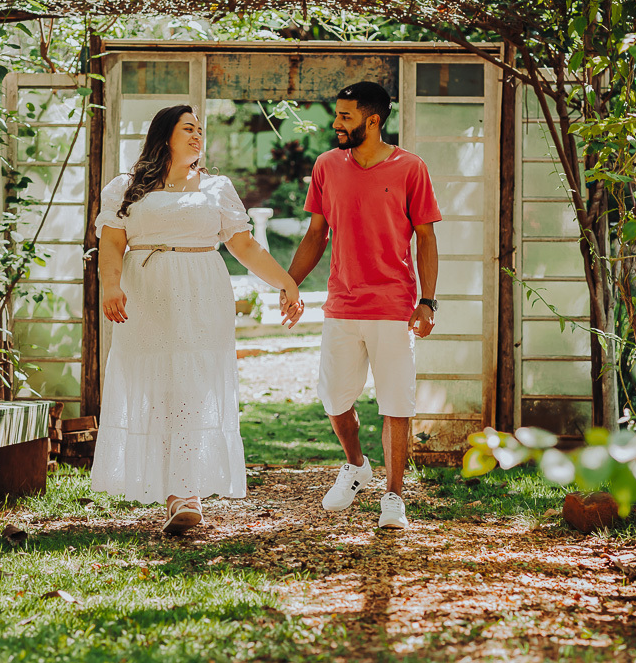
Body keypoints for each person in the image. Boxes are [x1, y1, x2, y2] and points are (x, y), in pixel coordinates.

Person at [91, 104, 304, 535]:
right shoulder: (125, 188)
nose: (197, 136)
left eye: (200, 130)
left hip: (203, 294)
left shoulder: (217, 188)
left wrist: (287, 283)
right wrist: (111, 286)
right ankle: (171, 488)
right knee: (158, 390)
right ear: (163, 134)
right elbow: (112, 246)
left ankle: (184, 495)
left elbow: (245, 248)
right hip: (145, 297)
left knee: (193, 386)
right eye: (188, 129)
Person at [285, 81, 440, 530]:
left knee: (396, 403)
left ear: (373, 120)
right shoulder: (327, 165)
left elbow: (427, 239)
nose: (336, 124)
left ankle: (393, 497)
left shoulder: (411, 167)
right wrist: (290, 285)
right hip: (342, 303)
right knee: (334, 398)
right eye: (337, 115)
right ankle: (356, 466)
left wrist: (426, 302)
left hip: (394, 305)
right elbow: (316, 234)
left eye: (346, 117)